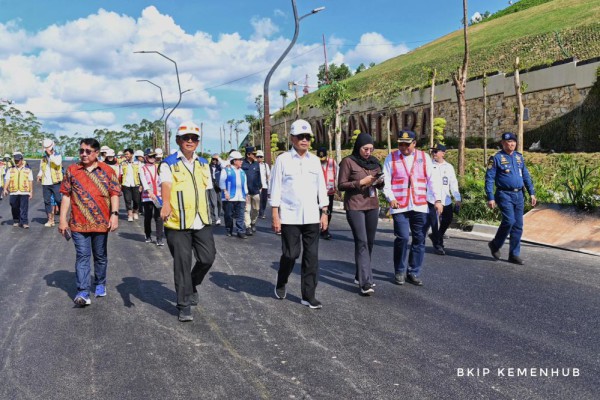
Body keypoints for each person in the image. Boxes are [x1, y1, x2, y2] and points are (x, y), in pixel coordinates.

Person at [160, 121, 216, 322]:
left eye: (194, 138)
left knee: (207, 258)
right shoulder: (169, 163)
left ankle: (192, 284)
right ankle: (183, 304)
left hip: (201, 219)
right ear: (178, 140)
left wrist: (214, 213)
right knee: (182, 264)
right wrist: (165, 203)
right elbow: (166, 184)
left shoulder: (203, 163)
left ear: (198, 142)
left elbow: (209, 189)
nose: (190, 141)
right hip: (177, 222)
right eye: (186, 138)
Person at [270, 119, 329, 309]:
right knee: (291, 254)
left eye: (307, 137)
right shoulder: (283, 160)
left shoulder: (314, 161)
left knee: (311, 257)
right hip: (289, 216)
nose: (304, 140)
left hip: (312, 215)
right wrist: (275, 214)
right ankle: (282, 279)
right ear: (292, 138)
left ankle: (308, 295)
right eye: (300, 137)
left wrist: (324, 211)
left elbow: (321, 187)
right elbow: (276, 188)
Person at [58, 138, 121, 306]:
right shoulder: (72, 170)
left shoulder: (107, 170)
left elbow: (114, 193)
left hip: (101, 223)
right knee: (82, 256)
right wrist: (62, 219)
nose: (83, 154)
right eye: (81, 151)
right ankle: (83, 292)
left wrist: (114, 214)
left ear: (96, 153)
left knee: (100, 256)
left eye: (87, 151)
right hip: (78, 223)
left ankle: (100, 282)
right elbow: (66, 195)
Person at [383, 130, 442, 287]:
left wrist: (437, 199)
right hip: (399, 205)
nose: (403, 147)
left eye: (407, 144)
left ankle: (413, 271)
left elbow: (432, 180)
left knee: (419, 239)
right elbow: (386, 182)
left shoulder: (424, 158)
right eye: (400, 144)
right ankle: (399, 270)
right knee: (402, 237)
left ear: (414, 143)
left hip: (419, 204)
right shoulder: (392, 157)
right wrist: (391, 198)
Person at [338, 133, 384, 296]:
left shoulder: (375, 163)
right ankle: (366, 282)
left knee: (369, 242)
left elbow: (380, 184)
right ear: (358, 147)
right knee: (362, 241)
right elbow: (341, 185)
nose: (368, 152)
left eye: (371, 149)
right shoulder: (348, 162)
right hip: (355, 205)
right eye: (365, 149)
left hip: (372, 205)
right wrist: (359, 183)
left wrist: (379, 182)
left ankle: (360, 274)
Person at [485, 132, 536, 265]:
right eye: (508, 142)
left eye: (513, 141)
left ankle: (514, 254)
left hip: (519, 195)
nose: (512, 144)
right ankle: (495, 244)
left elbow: (525, 176)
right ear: (502, 143)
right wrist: (490, 197)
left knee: (518, 226)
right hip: (504, 194)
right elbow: (489, 178)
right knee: (509, 220)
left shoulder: (519, 157)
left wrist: (532, 192)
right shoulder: (496, 158)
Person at [426, 144, 461, 255]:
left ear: (443, 153)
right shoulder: (429, 166)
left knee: (448, 219)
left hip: (446, 199)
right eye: (433, 152)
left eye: (436, 151)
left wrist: (457, 198)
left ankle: (437, 236)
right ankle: (438, 245)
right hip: (431, 199)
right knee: (434, 223)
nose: (434, 154)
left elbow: (453, 183)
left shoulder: (449, 167)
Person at [220, 151, 249, 238]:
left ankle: (240, 231)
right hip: (229, 197)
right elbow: (221, 182)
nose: (241, 161)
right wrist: (225, 192)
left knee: (241, 215)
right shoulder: (226, 170)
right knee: (228, 215)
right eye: (239, 160)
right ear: (234, 161)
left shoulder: (242, 172)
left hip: (241, 197)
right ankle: (229, 229)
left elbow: (245, 184)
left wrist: (246, 195)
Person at [139, 148, 164, 246]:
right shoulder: (142, 168)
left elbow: (162, 180)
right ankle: (148, 235)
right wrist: (149, 192)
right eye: (150, 156)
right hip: (147, 196)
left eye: (154, 156)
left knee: (159, 217)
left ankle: (159, 238)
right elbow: (144, 181)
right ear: (146, 157)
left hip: (158, 196)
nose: (153, 158)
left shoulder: (158, 167)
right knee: (148, 216)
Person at [3, 151, 33, 228]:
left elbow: (30, 181)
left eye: (18, 160)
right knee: (13, 205)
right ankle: (16, 220)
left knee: (24, 208)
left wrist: (31, 192)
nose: (16, 162)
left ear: (21, 160)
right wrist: (5, 189)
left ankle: (24, 222)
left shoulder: (28, 170)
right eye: (15, 160)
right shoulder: (10, 170)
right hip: (13, 191)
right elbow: (7, 180)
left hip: (24, 191)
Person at [37, 138, 63, 227]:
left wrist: (50, 155)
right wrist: (39, 175)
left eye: (47, 148)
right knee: (47, 201)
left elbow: (57, 163)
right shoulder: (43, 158)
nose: (46, 150)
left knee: (58, 199)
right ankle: (50, 220)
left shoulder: (57, 156)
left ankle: (62, 217)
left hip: (56, 182)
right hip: (45, 183)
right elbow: (41, 168)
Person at [317, 147, 338, 240]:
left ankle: (325, 229)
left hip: (329, 192)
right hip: (316, 193)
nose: (322, 160)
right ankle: (317, 229)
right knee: (317, 211)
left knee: (328, 212)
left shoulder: (332, 163)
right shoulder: (314, 163)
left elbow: (337, 174)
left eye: (323, 158)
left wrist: (338, 188)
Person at [242, 146, 261, 235]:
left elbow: (258, 176)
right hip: (246, 192)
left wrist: (259, 186)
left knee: (256, 209)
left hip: (255, 190)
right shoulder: (242, 163)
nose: (255, 155)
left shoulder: (256, 164)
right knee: (247, 209)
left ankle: (253, 222)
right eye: (253, 154)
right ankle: (248, 227)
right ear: (248, 154)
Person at [120, 148, 141, 221]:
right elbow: (121, 174)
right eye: (125, 154)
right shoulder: (123, 163)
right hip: (126, 184)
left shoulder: (137, 163)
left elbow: (140, 174)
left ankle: (135, 211)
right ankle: (130, 215)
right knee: (127, 200)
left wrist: (141, 185)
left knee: (136, 200)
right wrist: (120, 184)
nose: (126, 156)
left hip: (135, 184)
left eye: (127, 154)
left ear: (132, 154)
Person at [208, 154, 223, 225]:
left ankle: (218, 216)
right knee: (214, 203)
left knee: (220, 202)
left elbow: (223, 165)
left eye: (216, 159)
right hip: (212, 185)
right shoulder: (208, 167)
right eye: (213, 159)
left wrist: (219, 159)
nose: (214, 161)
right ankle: (215, 218)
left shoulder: (220, 167)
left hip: (219, 186)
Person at [256, 150, 270, 219]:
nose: (259, 158)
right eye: (258, 157)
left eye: (260, 157)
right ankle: (259, 213)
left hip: (264, 185)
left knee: (264, 200)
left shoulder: (265, 165)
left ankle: (262, 212)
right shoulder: (254, 165)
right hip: (257, 186)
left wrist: (268, 183)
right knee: (258, 200)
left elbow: (268, 175)